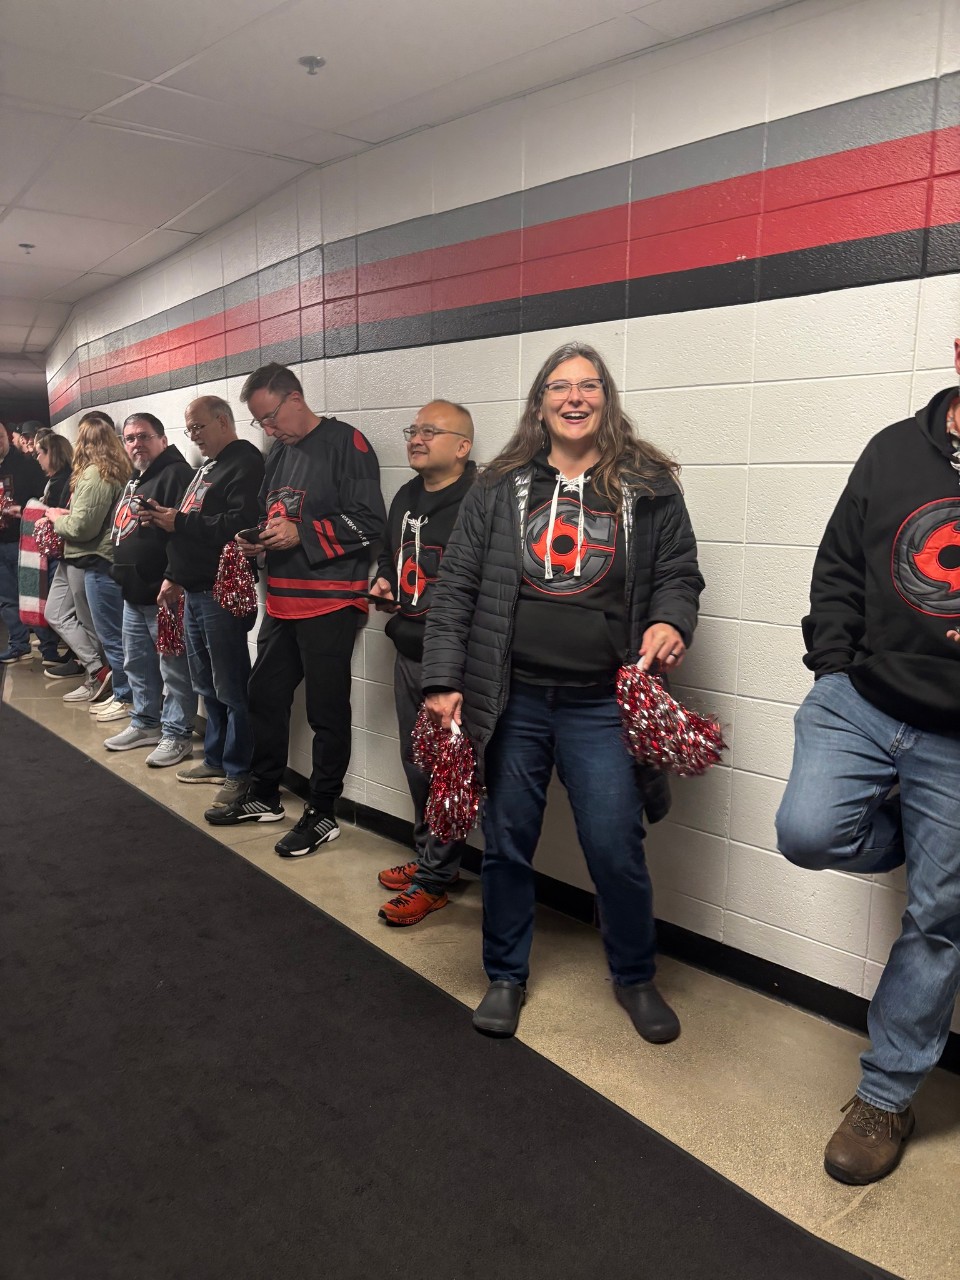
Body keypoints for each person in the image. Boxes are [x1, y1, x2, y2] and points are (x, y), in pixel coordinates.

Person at [421, 342, 704, 1040]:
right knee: (509, 842)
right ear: (540, 404)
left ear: (605, 400)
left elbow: (679, 573)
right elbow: (455, 586)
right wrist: (442, 678)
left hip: (601, 703)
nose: (574, 398)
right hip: (511, 698)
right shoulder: (498, 485)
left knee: (614, 843)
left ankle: (635, 977)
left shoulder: (648, 484)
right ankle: (505, 976)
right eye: (559, 387)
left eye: (588, 387)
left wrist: (671, 619)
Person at [775, 339, 960, 1186]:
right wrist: (833, 663)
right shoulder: (894, 448)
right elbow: (839, 563)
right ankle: (903, 831)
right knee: (807, 832)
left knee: (939, 916)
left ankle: (885, 1095)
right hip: (865, 698)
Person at [208, 363, 386, 857]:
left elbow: (371, 521)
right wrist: (260, 543)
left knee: (327, 712)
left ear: (294, 398)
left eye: (269, 417)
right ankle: (265, 793)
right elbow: (276, 514)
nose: (267, 429)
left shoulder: (346, 443)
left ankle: (323, 811)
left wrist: (302, 535)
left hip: (329, 602)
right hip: (282, 602)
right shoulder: (277, 452)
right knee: (263, 694)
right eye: (259, 422)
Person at [370, 400, 477, 925]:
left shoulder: (483, 500)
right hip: (408, 649)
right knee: (418, 767)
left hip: (456, 663)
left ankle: (435, 877)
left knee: (448, 771)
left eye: (430, 431)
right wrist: (384, 577)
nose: (416, 438)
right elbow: (391, 555)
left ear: (463, 446)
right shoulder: (406, 496)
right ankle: (433, 863)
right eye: (413, 430)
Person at [138, 397, 264, 807]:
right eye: (188, 430)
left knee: (230, 685)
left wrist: (180, 520)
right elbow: (189, 525)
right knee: (206, 683)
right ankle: (214, 758)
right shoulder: (207, 468)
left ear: (223, 422)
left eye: (198, 428)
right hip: (193, 589)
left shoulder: (244, 462)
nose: (193, 436)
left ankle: (239, 771)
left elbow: (238, 525)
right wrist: (173, 572)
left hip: (220, 590)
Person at [102, 413, 198, 763]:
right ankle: (145, 722)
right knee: (137, 664)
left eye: (143, 436)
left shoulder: (176, 475)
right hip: (134, 591)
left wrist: (173, 576)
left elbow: (184, 532)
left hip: (164, 593)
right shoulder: (137, 478)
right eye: (129, 438)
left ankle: (177, 733)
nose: (136, 444)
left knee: (174, 668)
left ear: (162, 438)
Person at [44, 413, 133, 709]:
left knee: (99, 629)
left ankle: (107, 681)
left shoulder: (98, 474)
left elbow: (84, 527)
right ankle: (99, 675)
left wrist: (57, 519)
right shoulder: (107, 471)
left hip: (91, 558)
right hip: (83, 558)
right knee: (76, 620)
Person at [0, 421, 46, 662]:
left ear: (7, 438)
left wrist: (24, 510)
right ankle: (18, 643)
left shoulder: (26, 465)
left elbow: (41, 498)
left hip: (24, 541)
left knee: (33, 594)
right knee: (7, 599)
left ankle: (48, 648)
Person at [32, 432, 75, 667]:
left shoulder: (64, 480)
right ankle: (79, 655)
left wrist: (45, 513)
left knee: (59, 610)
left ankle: (86, 661)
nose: (37, 458)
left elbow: (61, 514)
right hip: (57, 551)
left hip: (63, 552)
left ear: (53, 453)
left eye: (40, 453)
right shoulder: (56, 478)